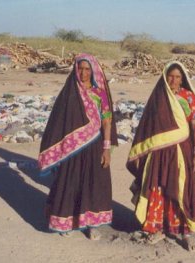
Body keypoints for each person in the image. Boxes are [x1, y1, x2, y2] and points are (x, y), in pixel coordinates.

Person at [126, 61, 195, 251]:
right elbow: (148, 127)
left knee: (181, 189)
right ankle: (157, 227)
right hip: (158, 152)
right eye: (170, 76)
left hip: (182, 151)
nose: (173, 80)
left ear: (183, 79)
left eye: (177, 77)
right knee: (158, 187)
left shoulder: (189, 97)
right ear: (165, 76)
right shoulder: (158, 97)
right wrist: (143, 152)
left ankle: (185, 232)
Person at [38, 53, 118, 240]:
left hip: (94, 146)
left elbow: (107, 122)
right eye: (80, 68)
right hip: (72, 149)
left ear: (94, 71)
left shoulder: (100, 94)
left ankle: (91, 225)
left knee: (93, 184)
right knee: (69, 182)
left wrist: (106, 149)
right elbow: (58, 121)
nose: (83, 73)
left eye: (87, 69)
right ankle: (65, 221)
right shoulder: (70, 93)